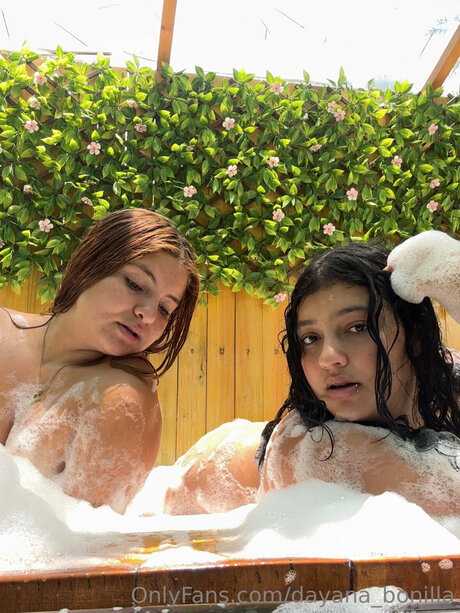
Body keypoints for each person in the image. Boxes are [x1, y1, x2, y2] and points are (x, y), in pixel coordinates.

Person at [0, 208, 199, 514]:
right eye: (135, 284)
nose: (148, 314)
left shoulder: (120, 398)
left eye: (164, 309)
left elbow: (80, 535)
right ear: (91, 264)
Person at [256, 238, 460, 520]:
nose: (328, 357)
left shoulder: (449, 379)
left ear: (415, 337)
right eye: (311, 338)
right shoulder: (316, 448)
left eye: (358, 327)